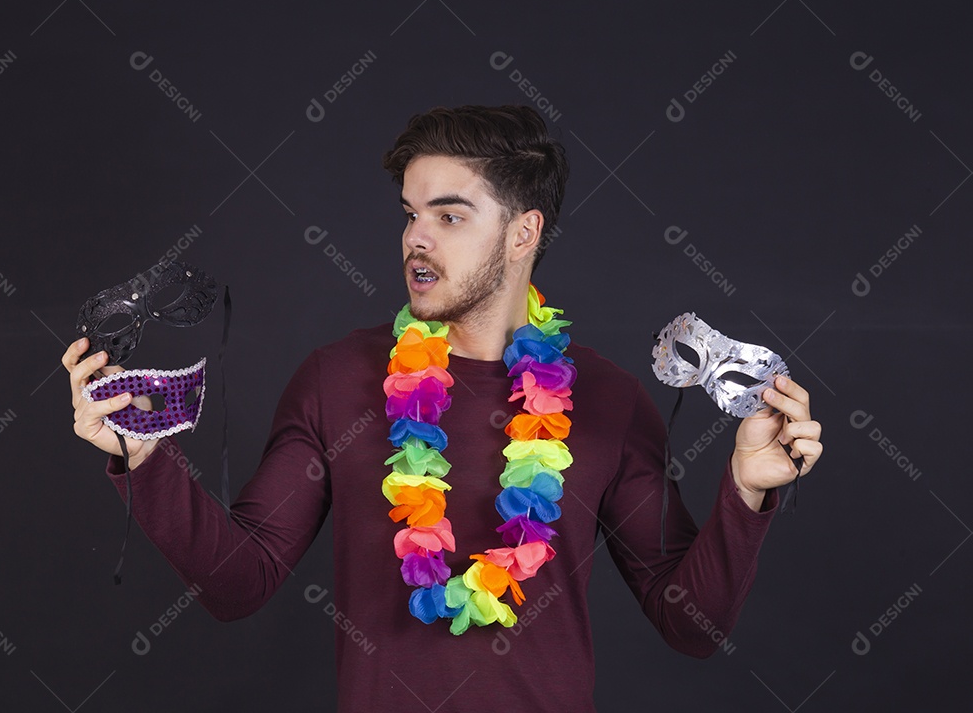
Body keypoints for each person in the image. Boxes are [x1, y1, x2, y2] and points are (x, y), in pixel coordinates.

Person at [62, 104, 823, 712]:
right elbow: (240, 583)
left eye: (449, 216)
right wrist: (143, 455)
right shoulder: (335, 380)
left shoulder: (610, 400)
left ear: (523, 233)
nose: (415, 240)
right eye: (410, 214)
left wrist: (745, 492)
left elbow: (690, 626)